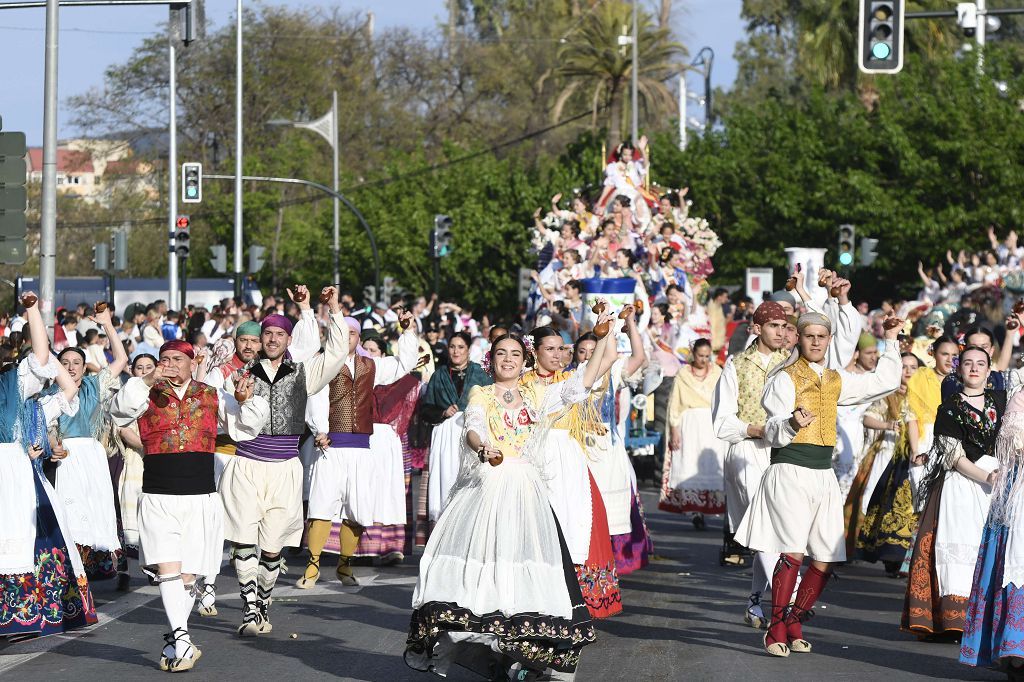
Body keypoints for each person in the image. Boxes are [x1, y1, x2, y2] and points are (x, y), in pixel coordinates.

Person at [405, 321, 615, 680]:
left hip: (526, 488)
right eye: (501, 353)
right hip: (488, 487)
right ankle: (468, 640)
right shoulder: (481, 394)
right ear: (491, 360)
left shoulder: (537, 396)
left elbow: (583, 379)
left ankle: (512, 644)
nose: (508, 359)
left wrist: (604, 335)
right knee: (485, 562)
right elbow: (472, 427)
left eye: (516, 354)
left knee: (522, 562)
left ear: (525, 360)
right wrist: (482, 446)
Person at [735, 311, 902, 657]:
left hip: (823, 474)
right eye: (808, 336)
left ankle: (794, 620)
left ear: (829, 340)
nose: (815, 342)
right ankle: (776, 629)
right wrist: (793, 424)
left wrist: (891, 339)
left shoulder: (834, 378)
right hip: (791, 469)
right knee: (793, 550)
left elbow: (883, 381)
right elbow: (774, 423)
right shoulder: (783, 378)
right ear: (797, 338)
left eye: (821, 337)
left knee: (826, 554)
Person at [109, 339, 269, 671]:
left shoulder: (211, 394)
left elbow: (246, 428)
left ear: (192, 361)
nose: (169, 364)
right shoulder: (145, 393)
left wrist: (245, 398)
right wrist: (147, 380)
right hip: (158, 495)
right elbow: (119, 410)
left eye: (176, 359)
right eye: (163, 359)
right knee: (167, 568)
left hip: (200, 497)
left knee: (187, 576)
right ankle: (181, 638)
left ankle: (180, 642)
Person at [219, 286, 346, 636]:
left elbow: (336, 352)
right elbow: (229, 419)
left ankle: (262, 600)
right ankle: (250, 609)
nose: (273, 339)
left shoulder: (304, 373)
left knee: (273, 546)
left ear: (289, 340)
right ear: (259, 340)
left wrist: (333, 309)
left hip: (285, 467)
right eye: (267, 334)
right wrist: (240, 400)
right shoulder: (239, 376)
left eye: (279, 334)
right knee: (244, 539)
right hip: (246, 463)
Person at [0, 293, 97, 638]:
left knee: (22, 540)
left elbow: (44, 361)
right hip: (16, 473)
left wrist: (31, 311)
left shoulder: (14, 389)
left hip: (15, 476)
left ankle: (23, 614)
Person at [299, 309, 419, 588]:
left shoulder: (371, 365)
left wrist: (407, 331)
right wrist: (320, 430)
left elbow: (405, 364)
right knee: (321, 506)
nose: (347, 337)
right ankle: (313, 566)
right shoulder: (321, 363)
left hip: (362, 448)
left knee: (357, 509)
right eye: (342, 332)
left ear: (357, 337)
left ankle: (344, 565)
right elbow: (314, 397)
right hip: (330, 447)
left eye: (352, 333)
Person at [902, 345, 1009, 638]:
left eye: (980, 364)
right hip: (963, 485)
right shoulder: (949, 407)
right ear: (959, 369)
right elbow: (952, 456)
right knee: (961, 548)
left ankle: (990, 619)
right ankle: (956, 620)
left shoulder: (1001, 401)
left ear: (989, 371)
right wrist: (987, 476)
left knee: (995, 551)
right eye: (968, 364)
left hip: (999, 485)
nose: (974, 368)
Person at [522, 325, 622, 619]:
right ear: (534, 351)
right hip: (534, 457)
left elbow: (609, 357)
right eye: (550, 348)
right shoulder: (521, 384)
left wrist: (606, 330)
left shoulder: (571, 379)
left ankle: (573, 599)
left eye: (561, 348)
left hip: (568, 457)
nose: (558, 354)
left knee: (576, 524)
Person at [712, 301, 790, 628]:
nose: (781, 332)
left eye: (785, 326)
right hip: (747, 450)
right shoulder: (736, 365)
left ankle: (756, 602)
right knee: (764, 528)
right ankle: (790, 605)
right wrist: (757, 429)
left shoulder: (791, 363)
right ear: (757, 329)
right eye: (774, 326)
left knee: (773, 534)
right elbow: (721, 423)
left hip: (782, 454)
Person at [47, 305, 128, 580]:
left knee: (95, 508)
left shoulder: (95, 386)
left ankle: (96, 564)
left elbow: (121, 359)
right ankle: (69, 568)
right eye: (65, 363)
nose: (70, 368)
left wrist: (107, 324)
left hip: (93, 456)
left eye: (76, 363)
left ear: (84, 367)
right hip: (67, 457)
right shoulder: (50, 393)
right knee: (70, 512)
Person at [960, 390, 1024, 672]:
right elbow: (1013, 443)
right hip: (1019, 490)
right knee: (1014, 563)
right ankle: (1013, 650)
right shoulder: (1021, 397)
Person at [585, 308, 652, 576]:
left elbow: (639, 358)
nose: (589, 355)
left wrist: (630, 324)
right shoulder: (569, 377)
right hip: (579, 449)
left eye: (594, 350)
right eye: (583, 352)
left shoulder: (611, 374)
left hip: (607, 447)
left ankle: (610, 561)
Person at [852, 353, 921, 574]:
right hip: (890, 452)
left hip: (917, 454)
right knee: (885, 501)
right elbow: (867, 418)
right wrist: (888, 425)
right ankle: (887, 552)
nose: (908, 372)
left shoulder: (923, 395)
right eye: (904, 367)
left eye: (913, 367)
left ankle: (904, 555)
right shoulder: (888, 395)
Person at [421, 331, 492, 527]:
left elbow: (492, 403)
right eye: (452, 347)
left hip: (473, 431)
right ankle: (444, 526)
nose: (456, 351)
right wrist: (442, 412)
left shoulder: (481, 374)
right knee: (447, 477)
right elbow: (426, 409)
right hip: (446, 434)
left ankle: (470, 525)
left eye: (461, 347)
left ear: (468, 350)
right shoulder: (439, 375)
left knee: (471, 477)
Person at [661, 338, 727, 529]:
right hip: (689, 423)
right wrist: (674, 428)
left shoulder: (717, 372)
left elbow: (724, 399)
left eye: (707, 356)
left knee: (708, 466)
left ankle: (709, 507)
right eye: (700, 356)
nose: (704, 360)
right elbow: (675, 402)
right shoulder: (683, 374)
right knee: (689, 463)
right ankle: (694, 511)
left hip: (710, 424)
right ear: (693, 354)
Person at [112, 353, 156, 592]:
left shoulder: (162, 394)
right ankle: (126, 570)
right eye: (140, 367)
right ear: (132, 370)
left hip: (159, 462)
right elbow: (124, 430)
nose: (145, 371)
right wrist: (150, 447)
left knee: (153, 516)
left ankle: (153, 565)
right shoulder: (126, 396)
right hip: (134, 460)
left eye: (150, 366)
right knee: (130, 516)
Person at [834, 332, 880, 498]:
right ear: (857, 354)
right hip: (840, 434)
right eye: (869, 353)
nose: (873, 357)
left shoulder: (877, 378)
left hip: (863, 438)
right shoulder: (842, 376)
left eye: (875, 352)